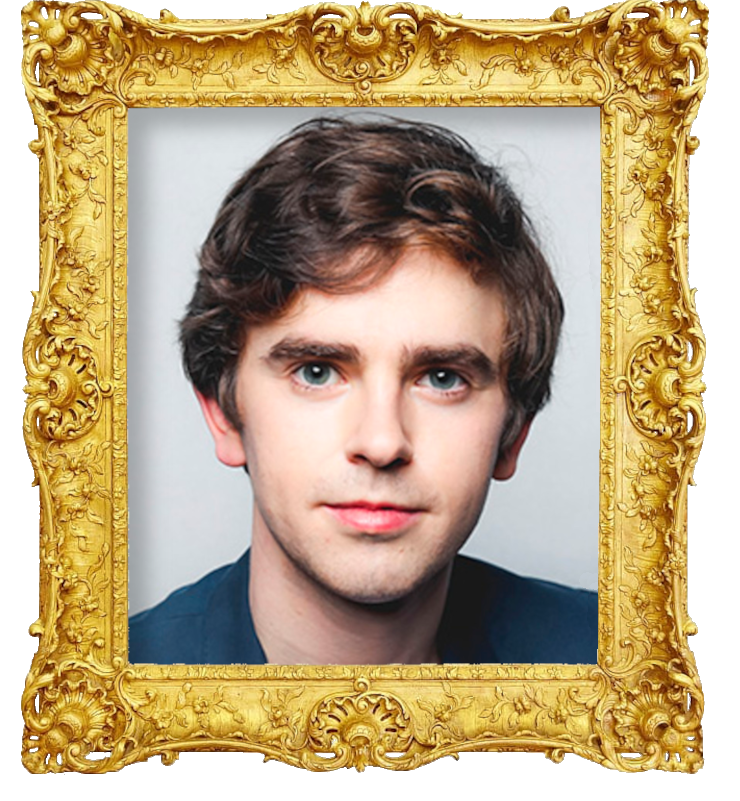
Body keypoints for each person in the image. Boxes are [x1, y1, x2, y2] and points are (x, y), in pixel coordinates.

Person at [129, 117, 597, 665]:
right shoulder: (101, 700)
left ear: (514, 433)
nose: (381, 443)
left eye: (442, 378)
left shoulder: (628, 674)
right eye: (317, 371)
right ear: (224, 414)